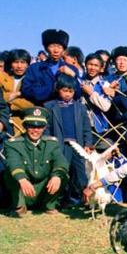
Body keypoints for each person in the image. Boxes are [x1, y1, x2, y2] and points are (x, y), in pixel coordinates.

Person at [3, 107, 69, 216]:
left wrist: (56, 176)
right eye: (32, 126)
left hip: (44, 190)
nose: (36, 130)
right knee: (10, 174)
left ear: (44, 128)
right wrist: (22, 179)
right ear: (25, 126)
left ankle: (49, 205)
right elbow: (13, 163)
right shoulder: (13, 144)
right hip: (22, 190)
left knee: (62, 174)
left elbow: (61, 161)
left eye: (40, 127)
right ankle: (19, 206)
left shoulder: (52, 143)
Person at [44, 74, 93, 205]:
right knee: (61, 171)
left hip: (77, 146)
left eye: (71, 91)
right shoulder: (50, 107)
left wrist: (88, 143)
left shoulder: (80, 108)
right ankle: (60, 199)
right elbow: (46, 128)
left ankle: (76, 198)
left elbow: (86, 128)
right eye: (64, 90)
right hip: (59, 145)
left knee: (79, 173)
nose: (67, 94)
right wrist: (49, 143)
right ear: (58, 89)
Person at [21, 29, 79, 105]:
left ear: (64, 50)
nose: (56, 50)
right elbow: (26, 91)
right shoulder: (34, 68)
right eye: (52, 46)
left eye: (59, 47)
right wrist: (52, 89)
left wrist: (73, 75)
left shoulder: (72, 69)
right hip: (42, 111)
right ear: (46, 48)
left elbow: (78, 94)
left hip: (64, 111)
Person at [0, 49, 34, 135]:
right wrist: (18, 94)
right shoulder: (3, 77)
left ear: (28, 64)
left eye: (23, 62)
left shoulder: (32, 80)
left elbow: (30, 104)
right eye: (16, 62)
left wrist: (9, 101)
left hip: (22, 124)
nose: (19, 66)